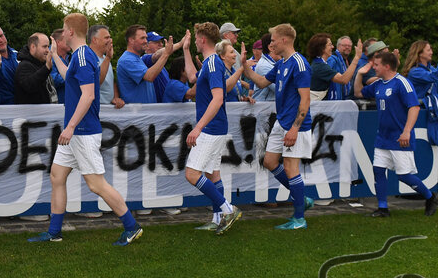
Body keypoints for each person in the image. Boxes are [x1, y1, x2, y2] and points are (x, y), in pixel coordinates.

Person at [28, 13, 143, 245]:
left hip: (81, 132)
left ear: (70, 31)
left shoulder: (82, 57)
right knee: (57, 176)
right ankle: (54, 231)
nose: (61, 32)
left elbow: (88, 95)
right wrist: (54, 55)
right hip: (77, 132)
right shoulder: (82, 55)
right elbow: (67, 76)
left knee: (96, 184)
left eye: (63, 28)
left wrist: (70, 127)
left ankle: (132, 226)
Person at [241, 23, 313, 230]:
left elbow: (305, 100)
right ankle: (302, 199)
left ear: (284, 40)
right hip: (282, 122)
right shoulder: (282, 63)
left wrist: (295, 128)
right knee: (270, 161)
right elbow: (261, 82)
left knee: (291, 168)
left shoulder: (299, 64)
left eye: (273, 40)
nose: (270, 44)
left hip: (293, 126)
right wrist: (245, 65)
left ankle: (299, 218)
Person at [357, 52, 438, 217]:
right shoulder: (379, 83)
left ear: (386, 66)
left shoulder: (402, 83)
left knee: (404, 176)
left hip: (399, 137)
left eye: (377, 65)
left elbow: (414, 107)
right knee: (378, 170)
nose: (374, 68)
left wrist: (406, 131)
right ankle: (383, 208)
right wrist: (359, 74)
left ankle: (430, 197)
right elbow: (359, 93)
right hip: (383, 137)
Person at [183, 24, 243, 234]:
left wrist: (198, 128)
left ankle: (227, 210)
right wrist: (184, 50)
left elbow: (218, 98)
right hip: (215, 126)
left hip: (211, 128)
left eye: (197, 39)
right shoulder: (210, 63)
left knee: (192, 174)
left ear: (202, 40)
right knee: (212, 174)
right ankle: (218, 218)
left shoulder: (212, 64)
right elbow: (193, 79)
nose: (196, 42)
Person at [402, 39, 438, 147]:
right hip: (419, 112)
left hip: (429, 111)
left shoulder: (430, 68)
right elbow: (435, 76)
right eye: (428, 50)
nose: (431, 52)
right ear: (420, 54)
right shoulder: (415, 71)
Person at [117, 24, 171, 104]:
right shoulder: (127, 60)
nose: (146, 41)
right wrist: (166, 54)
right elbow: (149, 76)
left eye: (146, 38)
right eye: (142, 38)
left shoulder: (137, 58)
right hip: (137, 114)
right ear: (131, 40)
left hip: (145, 113)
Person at [306, 33, 363, 103]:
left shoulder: (319, 64)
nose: (332, 47)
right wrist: (357, 57)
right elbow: (344, 79)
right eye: (330, 45)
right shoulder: (320, 66)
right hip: (316, 108)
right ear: (322, 48)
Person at [14, 32, 57, 104]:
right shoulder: (23, 66)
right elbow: (30, 86)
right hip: (32, 114)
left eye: (48, 46)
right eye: (44, 46)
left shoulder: (41, 63)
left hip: (48, 112)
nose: (47, 50)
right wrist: (46, 68)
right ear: (33, 47)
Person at [92, 24, 125, 108]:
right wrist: (108, 58)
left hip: (108, 110)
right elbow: (96, 82)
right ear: (95, 40)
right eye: (106, 38)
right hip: (95, 109)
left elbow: (112, 82)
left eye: (110, 37)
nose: (111, 40)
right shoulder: (87, 59)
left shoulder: (106, 59)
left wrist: (116, 98)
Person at [327, 36, 353, 100]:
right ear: (338, 46)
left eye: (349, 46)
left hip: (347, 98)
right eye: (344, 45)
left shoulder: (350, 60)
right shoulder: (332, 59)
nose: (347, 47)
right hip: (334, 98)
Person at [50, 29, 70, 104]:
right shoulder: (49, 56)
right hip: (57, 105)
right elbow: (53, 80)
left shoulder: (71, 56)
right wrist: (73, 74)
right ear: (58, 42)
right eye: (66, 39)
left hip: (70, 102)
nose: (70, 41)